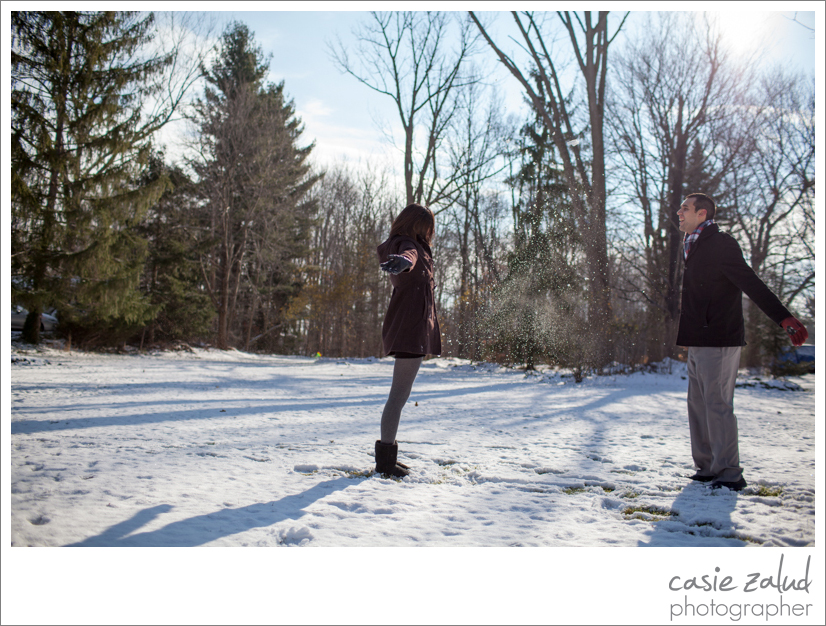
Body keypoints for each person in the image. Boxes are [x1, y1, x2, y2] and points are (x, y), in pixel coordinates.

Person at [676, 193, 808, 492]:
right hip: (698, 338)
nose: (679, 212)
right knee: (697, 404)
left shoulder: (721, 243)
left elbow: (750, 281)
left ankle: (729, 472)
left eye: (685, 208)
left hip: (720, 337)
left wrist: (783, 317)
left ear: (702, 214)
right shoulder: (692, 245)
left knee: (717, 404)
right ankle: (707, 466)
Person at [373, 203, 441, 478]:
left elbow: (412, 255)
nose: (429, 232)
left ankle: (387, 458)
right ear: (415, 224)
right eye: (425, 227)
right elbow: (407, 254)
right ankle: (385, 462)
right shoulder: (404, 244)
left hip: (413, 327)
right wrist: (405, 262)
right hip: (408, 327)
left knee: (400, 395)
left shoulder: (414, 246)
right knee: (398, 396)